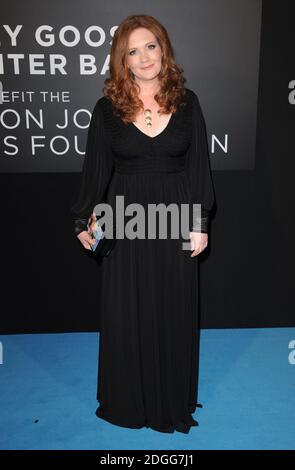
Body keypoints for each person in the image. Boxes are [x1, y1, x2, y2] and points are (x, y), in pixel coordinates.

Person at [70, 14, 215, 434]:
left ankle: (171, 397)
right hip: (126, 220)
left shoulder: (188, 103)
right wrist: (83, 216)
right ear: (122, 60)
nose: (144, 57)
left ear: (163, 48)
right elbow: (94, 170)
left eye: (150, 46)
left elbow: (198, 169)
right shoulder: (107, 109)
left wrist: (199, 220)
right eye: (132, 51)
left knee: (174, 307)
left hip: (174, 219)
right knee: (126, 312)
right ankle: (129, 399)